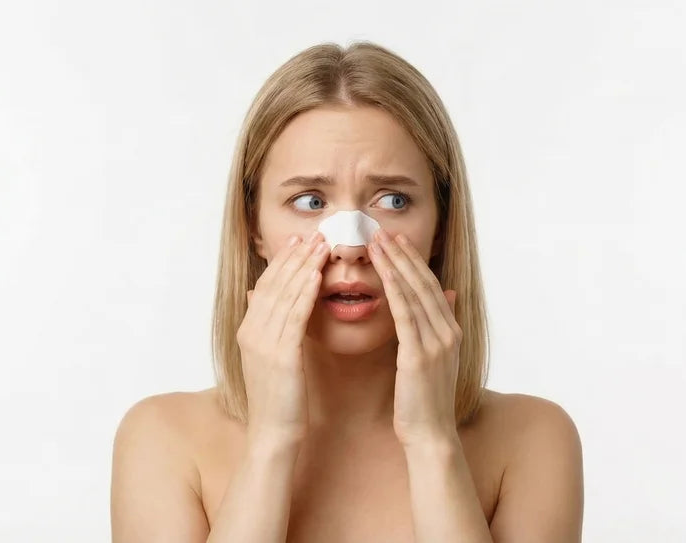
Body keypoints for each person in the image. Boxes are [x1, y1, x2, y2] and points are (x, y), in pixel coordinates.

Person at [111, 41, 584, 542]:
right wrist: (271, 443)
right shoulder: (162, 438)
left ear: (440, 226)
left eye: (393, 199)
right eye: (310, 200)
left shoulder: (533, 440)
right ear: (254, 225)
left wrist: (432, 443)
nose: (351, 246)